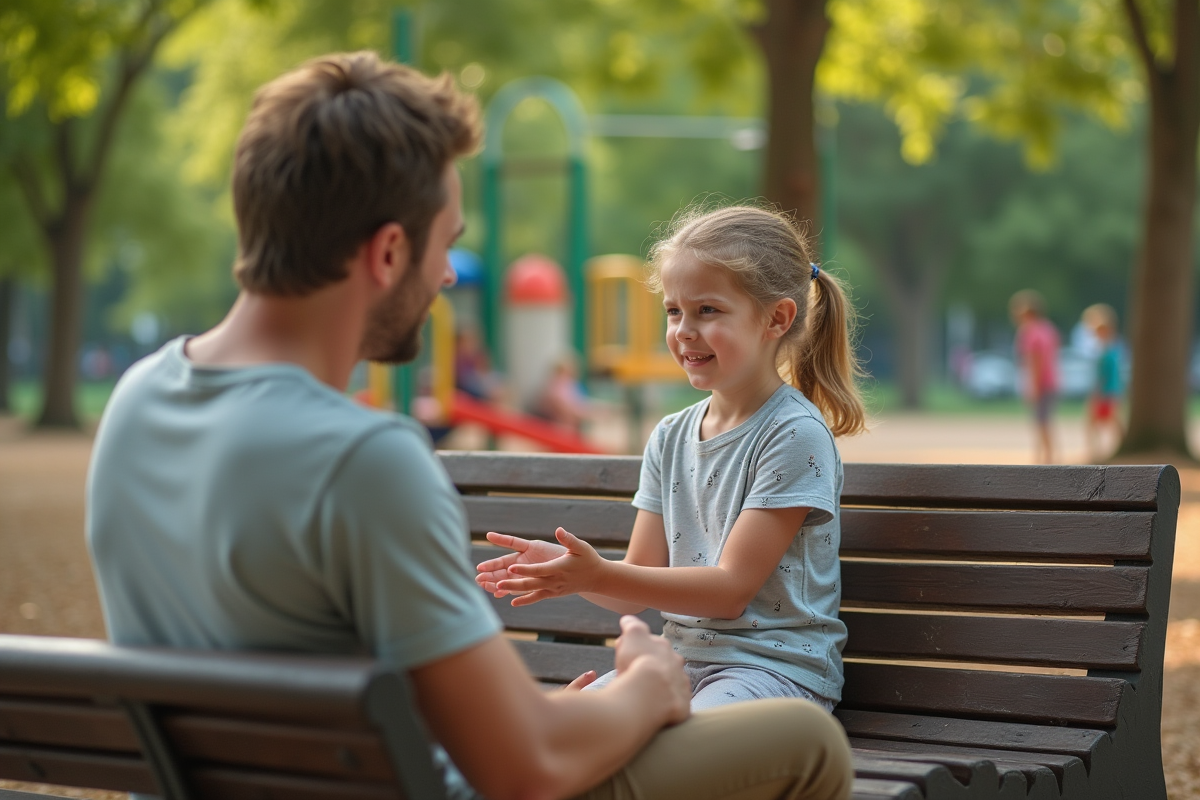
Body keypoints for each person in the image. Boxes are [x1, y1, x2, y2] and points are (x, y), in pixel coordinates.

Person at [85, 53, 852, 800]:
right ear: (389, 251)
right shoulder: (363, 460)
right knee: (808, 743)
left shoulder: (137, 400)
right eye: (445, 246)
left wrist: (577, 712)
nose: (449, 277)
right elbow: (525, 770)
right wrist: (645, 688)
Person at [478, 204, 867, 715]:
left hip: (775, 675)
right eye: (673, 310)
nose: (684, 329)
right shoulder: (670, 435)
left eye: (707, 310)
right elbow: (631, 590)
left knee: (641, 745)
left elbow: (729, 591)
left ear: (777, 318)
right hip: (681, 666)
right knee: (559, 726)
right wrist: (568, 570)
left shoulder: (794, 434)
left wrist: (598, 575)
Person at [1009, 289, 1060, 464]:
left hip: (1041, 383)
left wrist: (1034, 387)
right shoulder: (1048, 328)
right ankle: (1043, 456)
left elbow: (1035, 361)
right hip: (1051, 382)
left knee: (1041, 422)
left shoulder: (1029, 332)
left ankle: (1046, 459)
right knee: (1043, 421)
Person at [1081, 303, 1124, 460]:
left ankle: (1096, 452)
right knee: (1105, 422)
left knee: (1102, 422)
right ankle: (1096, 451)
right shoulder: (1110, 348)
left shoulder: (1108, 350)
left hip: (1107, 392)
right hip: (1110, 391)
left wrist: (1097, 392)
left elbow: (1104, 375)